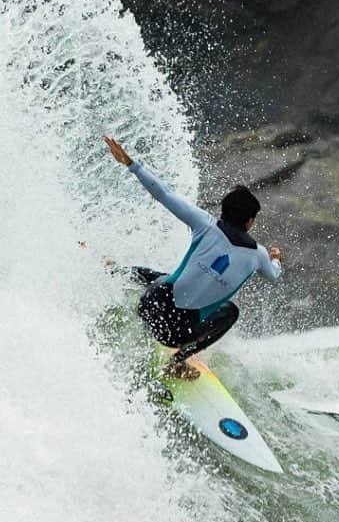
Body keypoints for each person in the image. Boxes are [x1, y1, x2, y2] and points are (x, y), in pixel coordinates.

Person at [103, 135, 283, 379]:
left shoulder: (204, 224)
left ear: (223, 210)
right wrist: (275, 257)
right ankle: (177, 361)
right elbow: (274, 275)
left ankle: (115, 270)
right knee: (230, 312)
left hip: (148, 308)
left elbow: (164, 194)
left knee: (169, 279)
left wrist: (131, 163)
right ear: (250, 221)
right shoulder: (259, 255)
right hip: (174, 335)